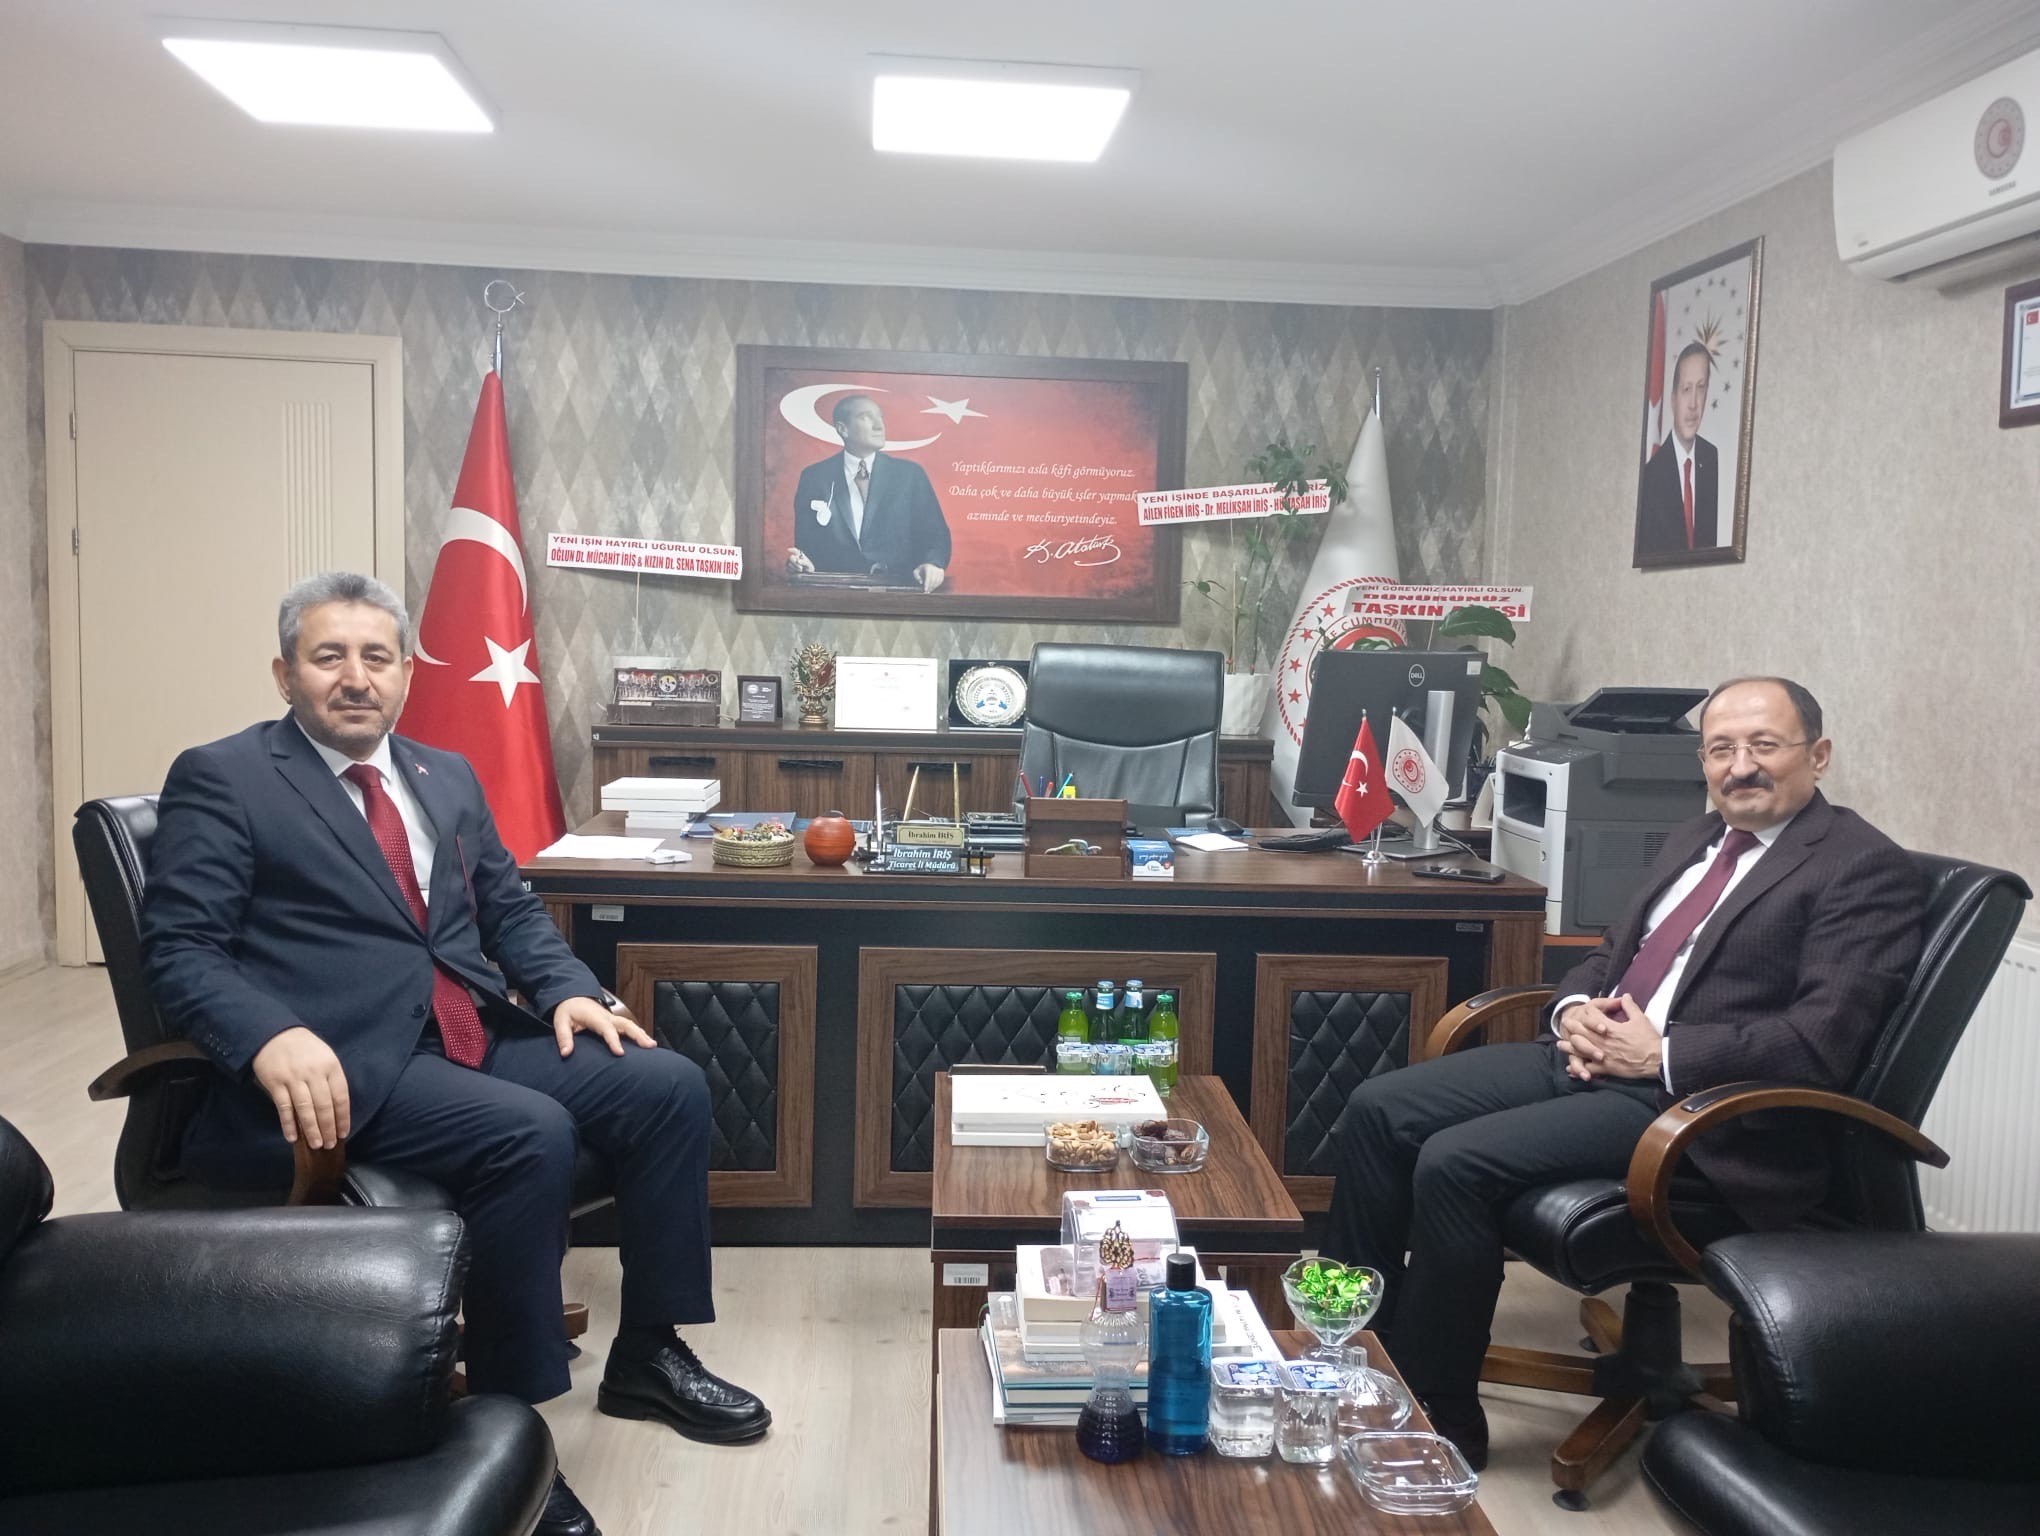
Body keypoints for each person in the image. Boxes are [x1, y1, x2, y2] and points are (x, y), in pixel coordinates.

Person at [142, 572, 771, 1536]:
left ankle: (648, 1351)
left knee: (665, 1086)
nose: (356, 678)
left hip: (465, 1032)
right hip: (343, 1064)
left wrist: (566, 989)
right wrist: (269, 1033)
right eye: (328, 656)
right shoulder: (225, 776)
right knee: (530, 1133)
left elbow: (509, 912)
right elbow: (182, 949)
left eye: (376, 657)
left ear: (406, 673)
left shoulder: (443, 773)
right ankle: (505, 1434)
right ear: (284, 673)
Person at [1321, 676, 1922, 1469]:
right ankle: (1354, 1354)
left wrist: (1660, 1053)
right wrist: (1573, 1011)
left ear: (1818, 755)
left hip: (1702, 1107)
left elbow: (1820, 1044)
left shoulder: (1861, 869)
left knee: (1455, 1163)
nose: (1741, 766)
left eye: (1764, 745)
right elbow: (1610, 955)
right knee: (1376, 1108)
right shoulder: (1696, 837)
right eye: (1721, 749)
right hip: (1599, 1060)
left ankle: (1438, 1415)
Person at [786, 393, 951, 591]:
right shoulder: (814, 477)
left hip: (898, 591)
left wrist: (932, 563)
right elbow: (806, 545)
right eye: (866, 417)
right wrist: (804, 563)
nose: (879, 425)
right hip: (836, 593)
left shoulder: (910, 475)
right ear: (843, 429)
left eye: (880, 417)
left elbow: (936, 535)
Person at [1636, 342, 1720, 554]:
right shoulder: (1650, 476)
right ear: (1673, 399)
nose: (1693, 404)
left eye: (1701, 388)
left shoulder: (1710, 457)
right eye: (1686, 389)